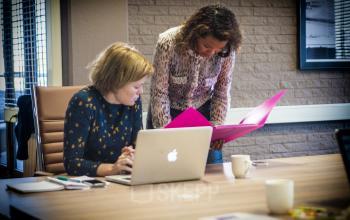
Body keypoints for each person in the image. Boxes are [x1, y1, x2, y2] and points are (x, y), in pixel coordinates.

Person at [147, 5, 242, 163]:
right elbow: (159, 93)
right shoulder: (168, 43)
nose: (211, 53)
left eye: (218, 49)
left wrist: (216, 128)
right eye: (206, 46)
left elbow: (221, 92)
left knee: (212, 165)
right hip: (166, 111)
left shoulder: (227, 51)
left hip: (203, 111)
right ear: (195, 33)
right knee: (165, 166)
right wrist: (165, 133)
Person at [64, 42, 154, 176]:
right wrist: (112, 169)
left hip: (120, 180)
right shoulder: (84, 102)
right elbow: (72, 163)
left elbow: (136, 144)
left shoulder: (133, 102)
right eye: (136, 87)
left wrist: (131, 154)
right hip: (89, 184)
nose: (140, 92)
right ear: (117, 81)